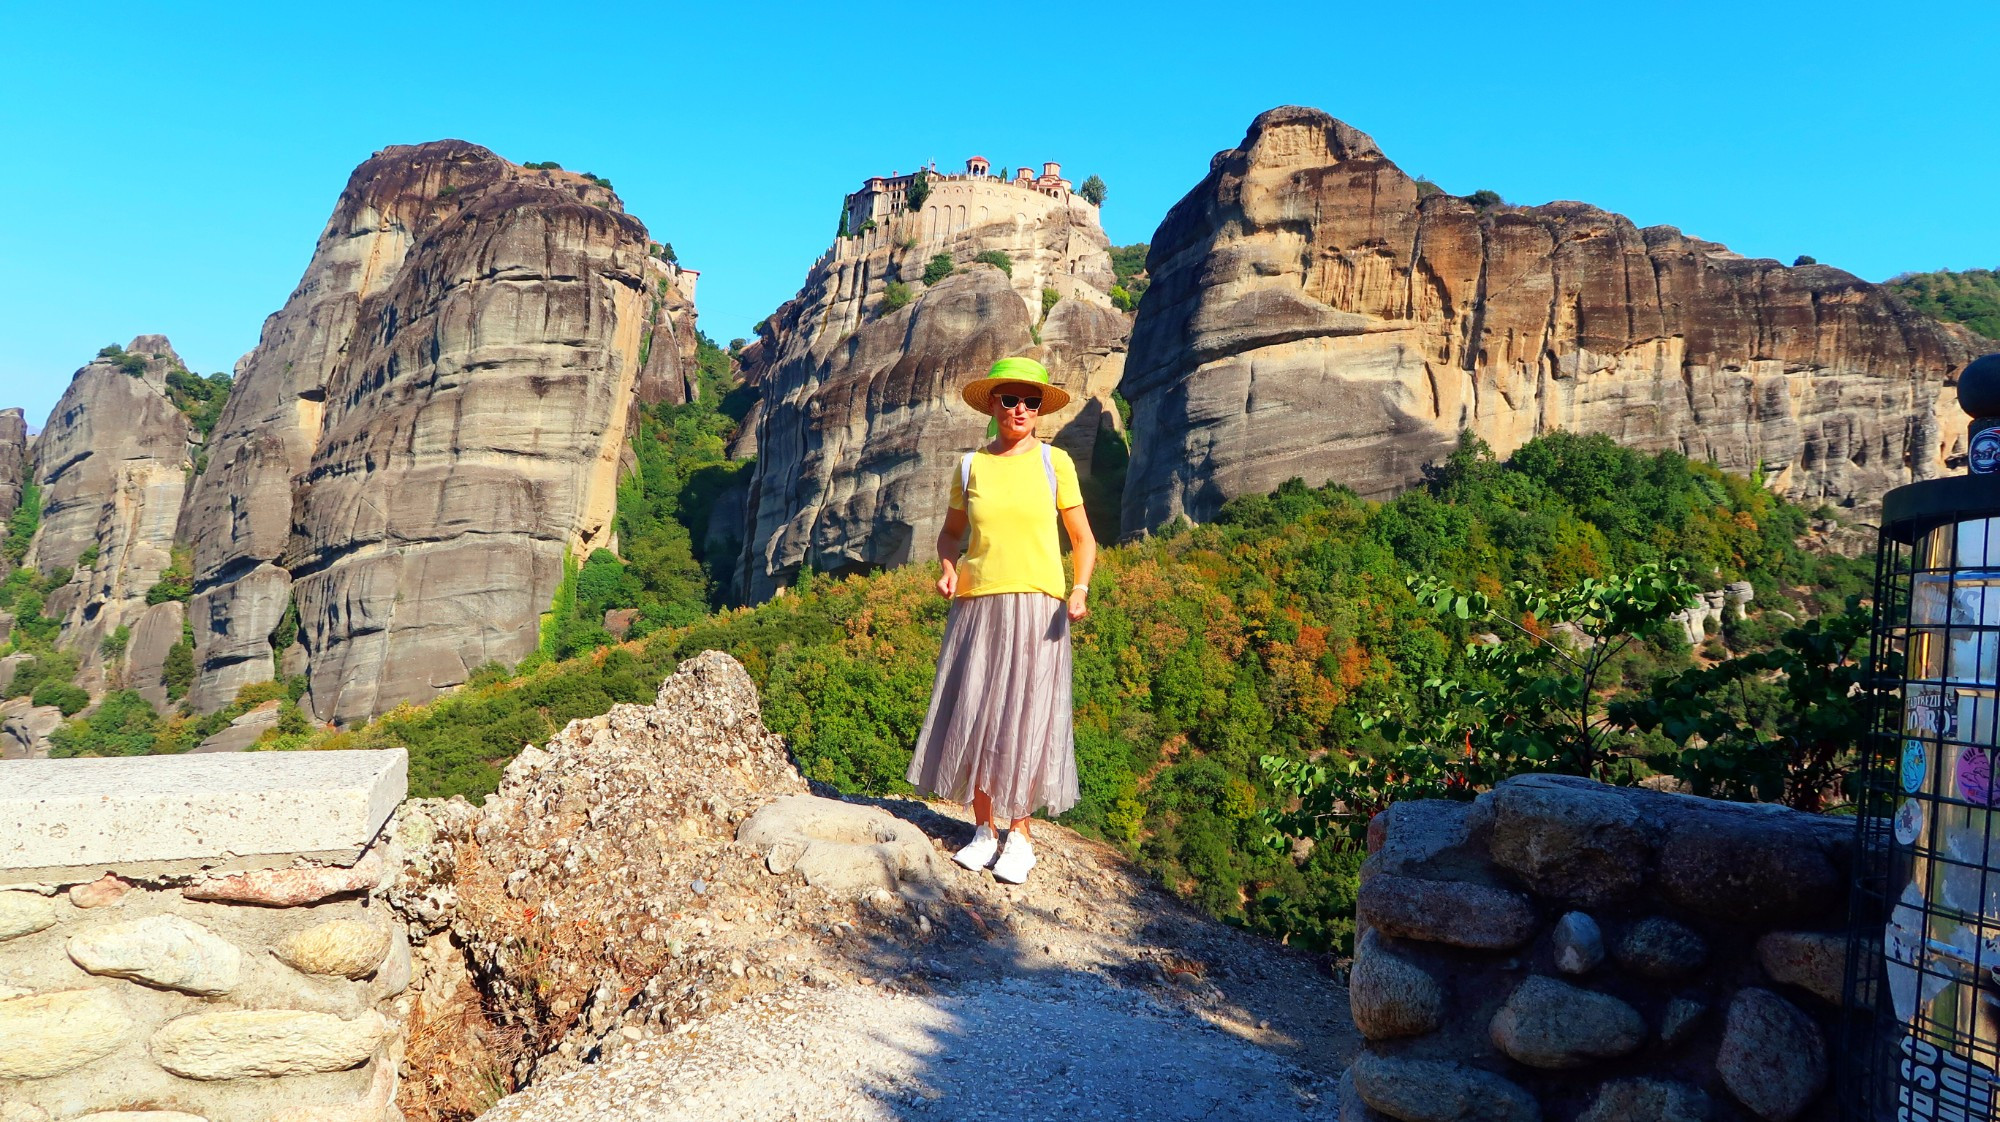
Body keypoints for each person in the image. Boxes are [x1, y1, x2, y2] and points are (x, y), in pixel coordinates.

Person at [905, 356, 1097, 885]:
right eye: (1009, 399)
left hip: (1039, 606)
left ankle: (1021, 837)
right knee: (981, 711)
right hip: (978, 602)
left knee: (1027, 715)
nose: (1019, 409)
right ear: (993, 405)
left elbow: (1083, 539)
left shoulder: (1054, 463)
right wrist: (947, 568)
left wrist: (1079, 589)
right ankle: (984, 831)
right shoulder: (970, 466)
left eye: (1030, 402)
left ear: (1039, 411)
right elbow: (950, 535)